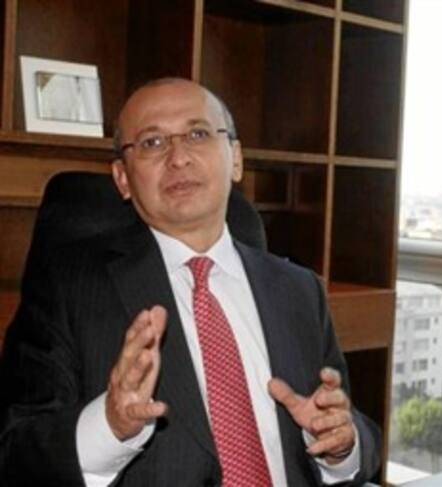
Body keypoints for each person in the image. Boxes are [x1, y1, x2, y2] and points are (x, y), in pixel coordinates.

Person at [0, 78, 381, 486]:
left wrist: (341, 446)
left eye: (198, 134)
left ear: (236, 159)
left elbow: (350, 428)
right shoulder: (68, 288)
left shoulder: (299, 289)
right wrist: (108, 427)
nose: (178, 158)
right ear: (122, 178)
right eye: (152, 142)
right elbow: (15, 453)